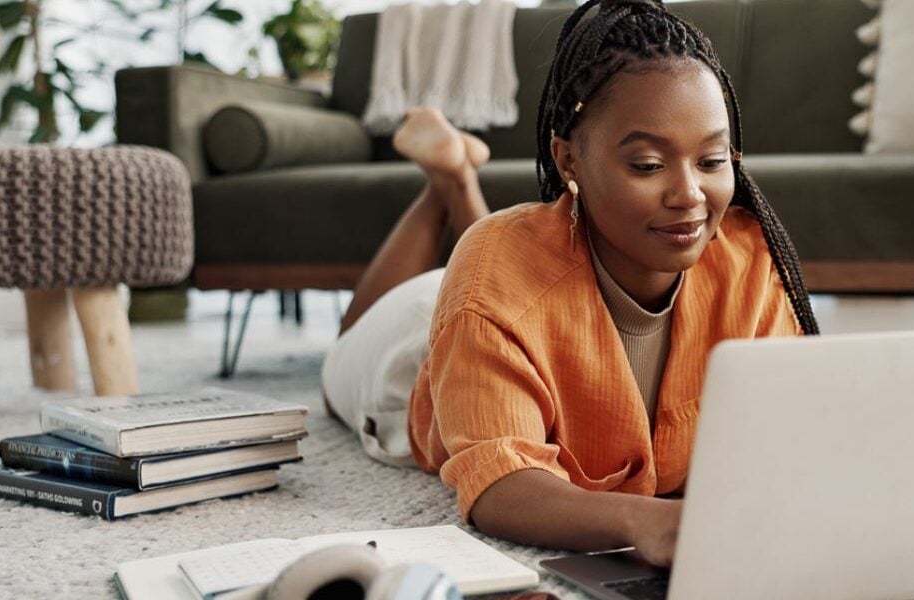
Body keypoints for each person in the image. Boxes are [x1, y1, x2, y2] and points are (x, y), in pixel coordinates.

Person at [321, 0, 820, 568]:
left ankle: (456, 179)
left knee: (493, 263)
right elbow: (499, 481)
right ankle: (446, 185)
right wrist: (639, 519)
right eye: (648, 165)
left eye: (711, 160)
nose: (690, 196)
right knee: (351, 338)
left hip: (502, 295)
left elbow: (789, 427)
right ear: (568, 160)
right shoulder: (493, 274)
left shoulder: (748, 257)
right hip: (409, 356)